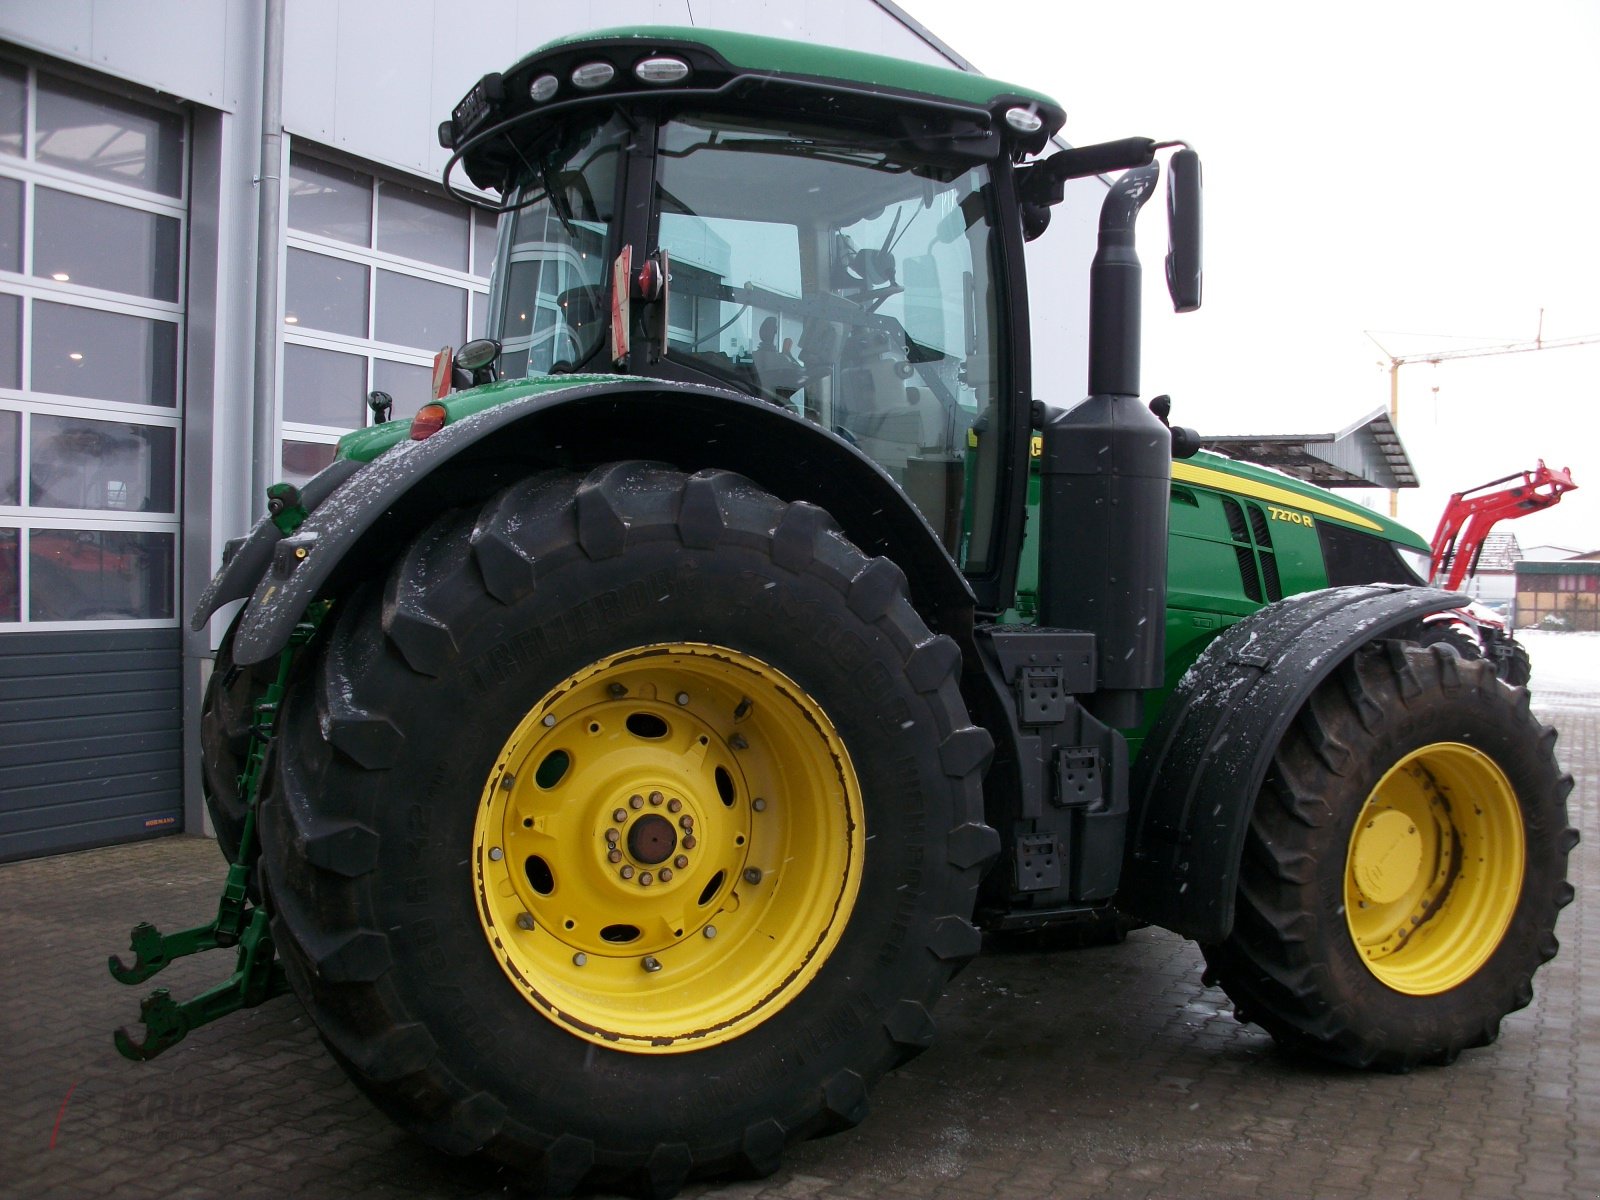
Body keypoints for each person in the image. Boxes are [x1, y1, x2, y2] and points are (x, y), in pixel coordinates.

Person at [752, 316, 803, 401]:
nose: (769, 332)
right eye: (769, 329)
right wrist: (788, 355)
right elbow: (800, 375)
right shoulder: (782, 360)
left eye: (771, 329)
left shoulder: (751, 356)